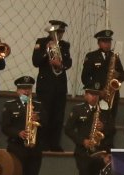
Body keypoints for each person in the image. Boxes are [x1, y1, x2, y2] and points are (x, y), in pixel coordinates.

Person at [32, 20, 72, 151]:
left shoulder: (65, 45)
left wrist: (60, 64)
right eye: (57, 32)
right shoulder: (41, 42)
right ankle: (42, 143)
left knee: (58, 116)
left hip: (59, 85)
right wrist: (46, 51)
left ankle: (55, 143)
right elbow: (35, 61)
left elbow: (68, 62)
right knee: (44, 114)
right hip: (45, 85)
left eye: (61, 32)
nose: (59, 35)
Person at [2, 76, 44, 175]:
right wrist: (18, 133)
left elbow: (47, 124)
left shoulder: (38, 105)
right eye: (23, 89)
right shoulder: (10, 105)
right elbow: (5, 127)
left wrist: (39, 119)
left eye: (29, 89)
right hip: (16, 148)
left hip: (34, 148)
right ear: (17, 91)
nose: (26, 91)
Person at [66, 83, 113, 175]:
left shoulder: (104, 110)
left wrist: (104, 127)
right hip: (83, 152)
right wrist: (82, 141)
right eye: (92, 94)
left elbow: (113, 130)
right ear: (85, 95)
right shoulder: (78, 109)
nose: (94, 97)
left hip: (100, 152)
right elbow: (68, 129)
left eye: (96, 94)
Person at [80, 30, 124, 113]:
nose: (107, 44)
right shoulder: (91, 56)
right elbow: (85, 78)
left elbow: (123, 76)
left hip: (112, 95)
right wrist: (97, 91)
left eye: (109, 42)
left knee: (111, 120)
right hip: (96, 94)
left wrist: (117, 74)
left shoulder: (114, 56)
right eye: (104, 42)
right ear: (99, 43)